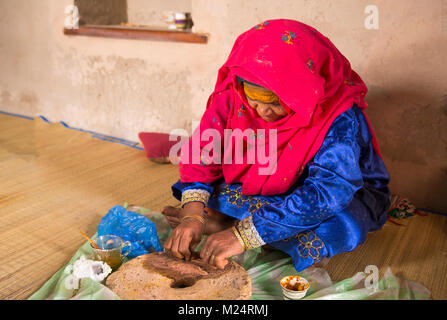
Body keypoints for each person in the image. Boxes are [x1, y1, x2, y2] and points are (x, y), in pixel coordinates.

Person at [161, 19, 391, 271]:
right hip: (261, 183)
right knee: (211, 195)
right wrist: (193, 214)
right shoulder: (232, 94)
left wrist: (242, 236)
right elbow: (203, 156)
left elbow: (329, 190)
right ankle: (248, 229)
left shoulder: (338, 114)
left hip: (319, 192)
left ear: (304, 90)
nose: (261, 111)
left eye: (274, 101)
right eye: (253, 99)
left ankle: (232, 225)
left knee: (345, 225)